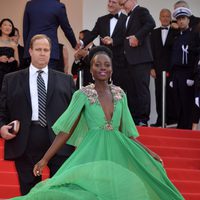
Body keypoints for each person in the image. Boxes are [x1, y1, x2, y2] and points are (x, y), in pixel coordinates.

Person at [11, 46, 184, 200]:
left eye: (107, 65)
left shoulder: (120, 94)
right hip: (93, 152)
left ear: (112, 69)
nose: (102, 68)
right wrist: (44, 159)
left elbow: (128, 134)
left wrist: (149, 153)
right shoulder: (82, 95)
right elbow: (65, 132)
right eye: (97, 65)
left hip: (119, 153)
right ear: (91, 69)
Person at [0, 34, 76, 195]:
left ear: (51, 52)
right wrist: (1, 128)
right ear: (30, 51)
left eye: (46, 50)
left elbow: (75, 114)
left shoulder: (66, 80)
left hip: (59, 141)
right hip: (25, 141)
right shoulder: (11, 79)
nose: (42, 53)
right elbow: (2, 111)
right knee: (30, 193)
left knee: (59, 192)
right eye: (38, 49)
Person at [119, 0, 155, 126]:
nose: (122, 4)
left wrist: (137, 37)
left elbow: (151, 23)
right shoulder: (126, 17)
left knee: (141, 89)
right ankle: (134, 119)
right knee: (132, 90)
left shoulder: (141, 11)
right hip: (129, 60)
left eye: (124, 1)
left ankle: (143, 119)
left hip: (141, 59)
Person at [81, 0, 128, 91]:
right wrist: (81, 43)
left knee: (119, 90)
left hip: (120, 62)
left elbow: (127, 38)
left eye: (113, 2)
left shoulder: (126, 20)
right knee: (102, 89)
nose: (110, 4)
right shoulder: (101, 20)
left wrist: (113, 41)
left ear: (121, 5)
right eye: (109, 1)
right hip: (103, 61)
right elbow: (92, 34)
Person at [23, 0, 79, 70]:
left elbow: (25, 29)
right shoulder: (58, 6)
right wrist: (74, 44)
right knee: (49, 79)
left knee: (31, 78)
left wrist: (28, 48)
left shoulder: (30, 4)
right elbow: (66, 28)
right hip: (50, 50)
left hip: (32, 50)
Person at [170, 7, 200, 129]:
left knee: (187, 102)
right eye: (179, 19)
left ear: (188, 20)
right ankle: (181, 126)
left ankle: (187, 128)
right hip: (177, 74)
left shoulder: (194, 35)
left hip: (188, 73)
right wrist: (172, 77)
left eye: (183, 18)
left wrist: (192, 76)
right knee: (178, 102)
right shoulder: (176, 37)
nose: (181, 21)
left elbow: (195, 56)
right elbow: (173, 58)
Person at [150, 9, 178, 127]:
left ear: (171, 18)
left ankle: (172, 120)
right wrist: (151, 68)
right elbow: (150, 51)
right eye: (163, 16)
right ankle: (160, 119)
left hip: (173, 69)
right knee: (159, 95)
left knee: (172, 95)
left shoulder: (176, 32)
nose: (165, 18)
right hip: (158, 69)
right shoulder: (154, 33)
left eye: (168, 16)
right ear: (159, 18)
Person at [0, 18, 19, 90]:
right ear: (0, 27)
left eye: (10, 25)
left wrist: (13, 60)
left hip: (10, 75)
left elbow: (18, 63)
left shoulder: (13, 44)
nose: (8, 27)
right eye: (5, 25)